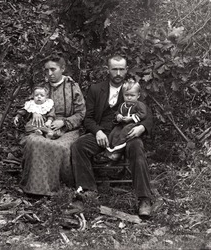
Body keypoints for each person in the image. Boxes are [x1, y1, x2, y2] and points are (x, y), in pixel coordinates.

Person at [71, 55, 154, 216]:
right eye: (114, 69)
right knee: (79, 146)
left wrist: (142, 128)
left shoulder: (132, 88)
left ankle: (144, 199)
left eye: (121, 69)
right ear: (108, 70)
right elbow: (88, 118)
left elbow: (147, 113)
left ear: (126, 70)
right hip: (103, 133)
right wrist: (97, 131)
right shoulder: (96, 89)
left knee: (137, 146)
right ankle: (88, 192)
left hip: (126, 133)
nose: (117, 73)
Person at [19, 55, 86, 196]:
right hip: (42, 127)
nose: (50, 74)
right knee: (34, 141)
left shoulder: (72, 87)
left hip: (68, 129)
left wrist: (64, 122)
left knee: (60, 147)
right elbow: (30, 105)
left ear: (62, 69)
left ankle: (57, 188)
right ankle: (34, 188)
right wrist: (35, 113)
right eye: (47, 70)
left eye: (53, 69)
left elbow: (81, 113)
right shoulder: (42, 88)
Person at [104, 79, 147, 161]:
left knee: (124, 133)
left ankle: (118, 151)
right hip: (122, 124)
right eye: (126, 95)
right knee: (114, 132)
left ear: (138, 95)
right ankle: (110, 150)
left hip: (133, 124)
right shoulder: (122, 105)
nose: (129, 97)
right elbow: (117, 112)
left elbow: (143, 114)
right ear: (123, 95)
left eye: (132, 95)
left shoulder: (139, 105)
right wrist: (118, 116)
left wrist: (131, 118)